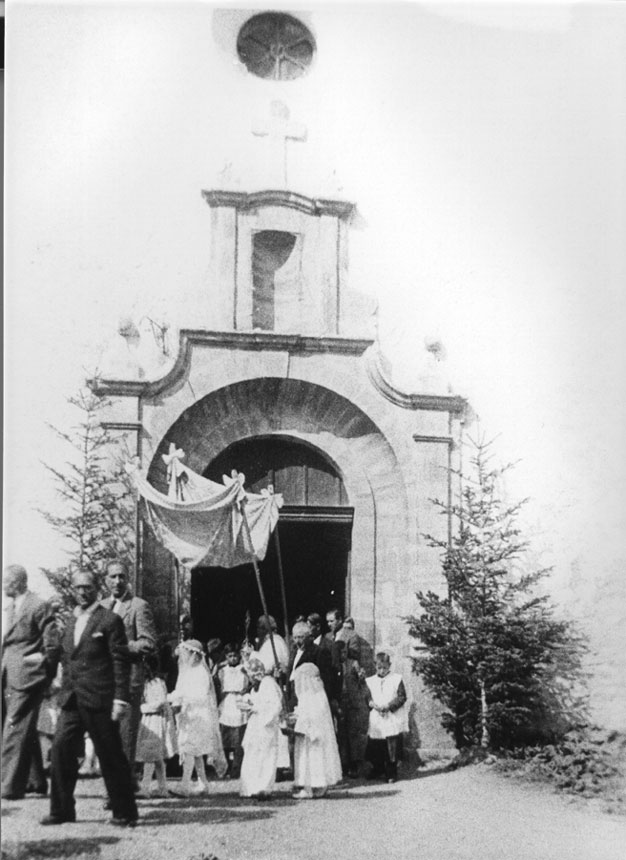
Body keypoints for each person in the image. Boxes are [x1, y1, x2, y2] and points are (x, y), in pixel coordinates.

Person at [41, 570, 138, 826]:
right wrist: (56, 684)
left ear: (97, 588)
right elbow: (66, 657)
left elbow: (120, 662)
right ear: (72, 590)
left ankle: (124, 812)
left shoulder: (110, 620)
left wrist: (120, 699)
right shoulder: (71, 621)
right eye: (77, 588)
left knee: (110, 755)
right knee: (61, 748)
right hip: (72, 699)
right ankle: (61, 810)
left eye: (87, 587)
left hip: (101, 699)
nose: (82, 592)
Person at [2, 564, 59, 800]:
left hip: (28, 678)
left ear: (19, 582)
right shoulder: (11, 607)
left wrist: (47, 675)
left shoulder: (38, 605)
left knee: (13, 729)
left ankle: (8, 787)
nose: (3, 586)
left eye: (7, 582)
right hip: (9, 675)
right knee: (23, 726)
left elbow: (52, 645)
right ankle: (35, 781)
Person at [100, 559, 157, 776]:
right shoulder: (101, 607)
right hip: (102, 680)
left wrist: (121, 647)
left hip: (128, 679)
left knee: (125, 735)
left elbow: (149, 643)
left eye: (121, 576)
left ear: (128, 579)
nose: (117, 581)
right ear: (106, 581)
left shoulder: (138, 606)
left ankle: (120, 789)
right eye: (113, 576)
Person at [168, 638, 226, 795]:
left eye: (186, 654)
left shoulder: (200, 672)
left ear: (194, 655)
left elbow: (200, 695)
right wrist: (171, 697)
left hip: (199, 715)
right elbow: (181, 691)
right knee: (196, 752)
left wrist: (181, 696)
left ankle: (184, 785)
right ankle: (203, 783)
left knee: (189, 749)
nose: (183, 657)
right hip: (189, 715)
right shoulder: (187, 671)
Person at [290, 663, 342, 799]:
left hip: (311, 735)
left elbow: (309, 716)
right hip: (319, 734)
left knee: (309, 758)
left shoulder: (309, 696)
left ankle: (308, 787)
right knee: (320, 758)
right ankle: (320, 787)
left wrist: (296, 720)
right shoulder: (320, 694)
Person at [238, 657, 283, 800]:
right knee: (253, 754)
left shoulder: (268, 684)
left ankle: (264, 787)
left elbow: (275, 706)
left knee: (266, 755)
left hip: (265, 725)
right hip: (255, 724)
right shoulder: (255, 687)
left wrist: (255, 708)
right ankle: (250, 787)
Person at [336, 619, 376, 777]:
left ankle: (354, 764)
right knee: (341, 733)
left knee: (353, 733)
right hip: (340, 700)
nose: (344, 654)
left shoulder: (354, 663)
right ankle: (343, 764)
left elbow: (362, 680)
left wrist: (361, 676)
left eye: (346, 651)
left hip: (352, 701)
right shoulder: (335, 664)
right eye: (342, 652)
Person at [136, 653, 177, 797]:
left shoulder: (158, 682)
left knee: (151, 754)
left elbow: (160, 703)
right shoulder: (146, 683)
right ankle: (163, 788)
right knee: (157, 757)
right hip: (149, 719)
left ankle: (145, 788)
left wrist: (142, 708)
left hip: (156, 720)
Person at [365, 652, 408, 784]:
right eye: (379, 668)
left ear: (389, 666)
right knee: (376, 744)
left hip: (390, 716)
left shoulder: (396, 679)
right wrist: (371, 703)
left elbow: (402, 697)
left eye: (384, 667)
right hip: (377, 715)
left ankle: (391, 772)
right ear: (375, 667)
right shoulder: (370, 681)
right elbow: (367, 696)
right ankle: (377, 768)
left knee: (391, 746)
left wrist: (389, 706)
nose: (382, 670)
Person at [217, 643, 249, 779]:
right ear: (226, 657)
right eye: (230, 656)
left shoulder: (244, 669)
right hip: (227, 701)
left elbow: (248, 685)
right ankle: (225, 767)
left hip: (239, 700)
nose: (233, 659)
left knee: (238, 739)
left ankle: (237, 768)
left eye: (235, 656)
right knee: (226, 738)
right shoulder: (222, 671)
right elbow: (220, 687)